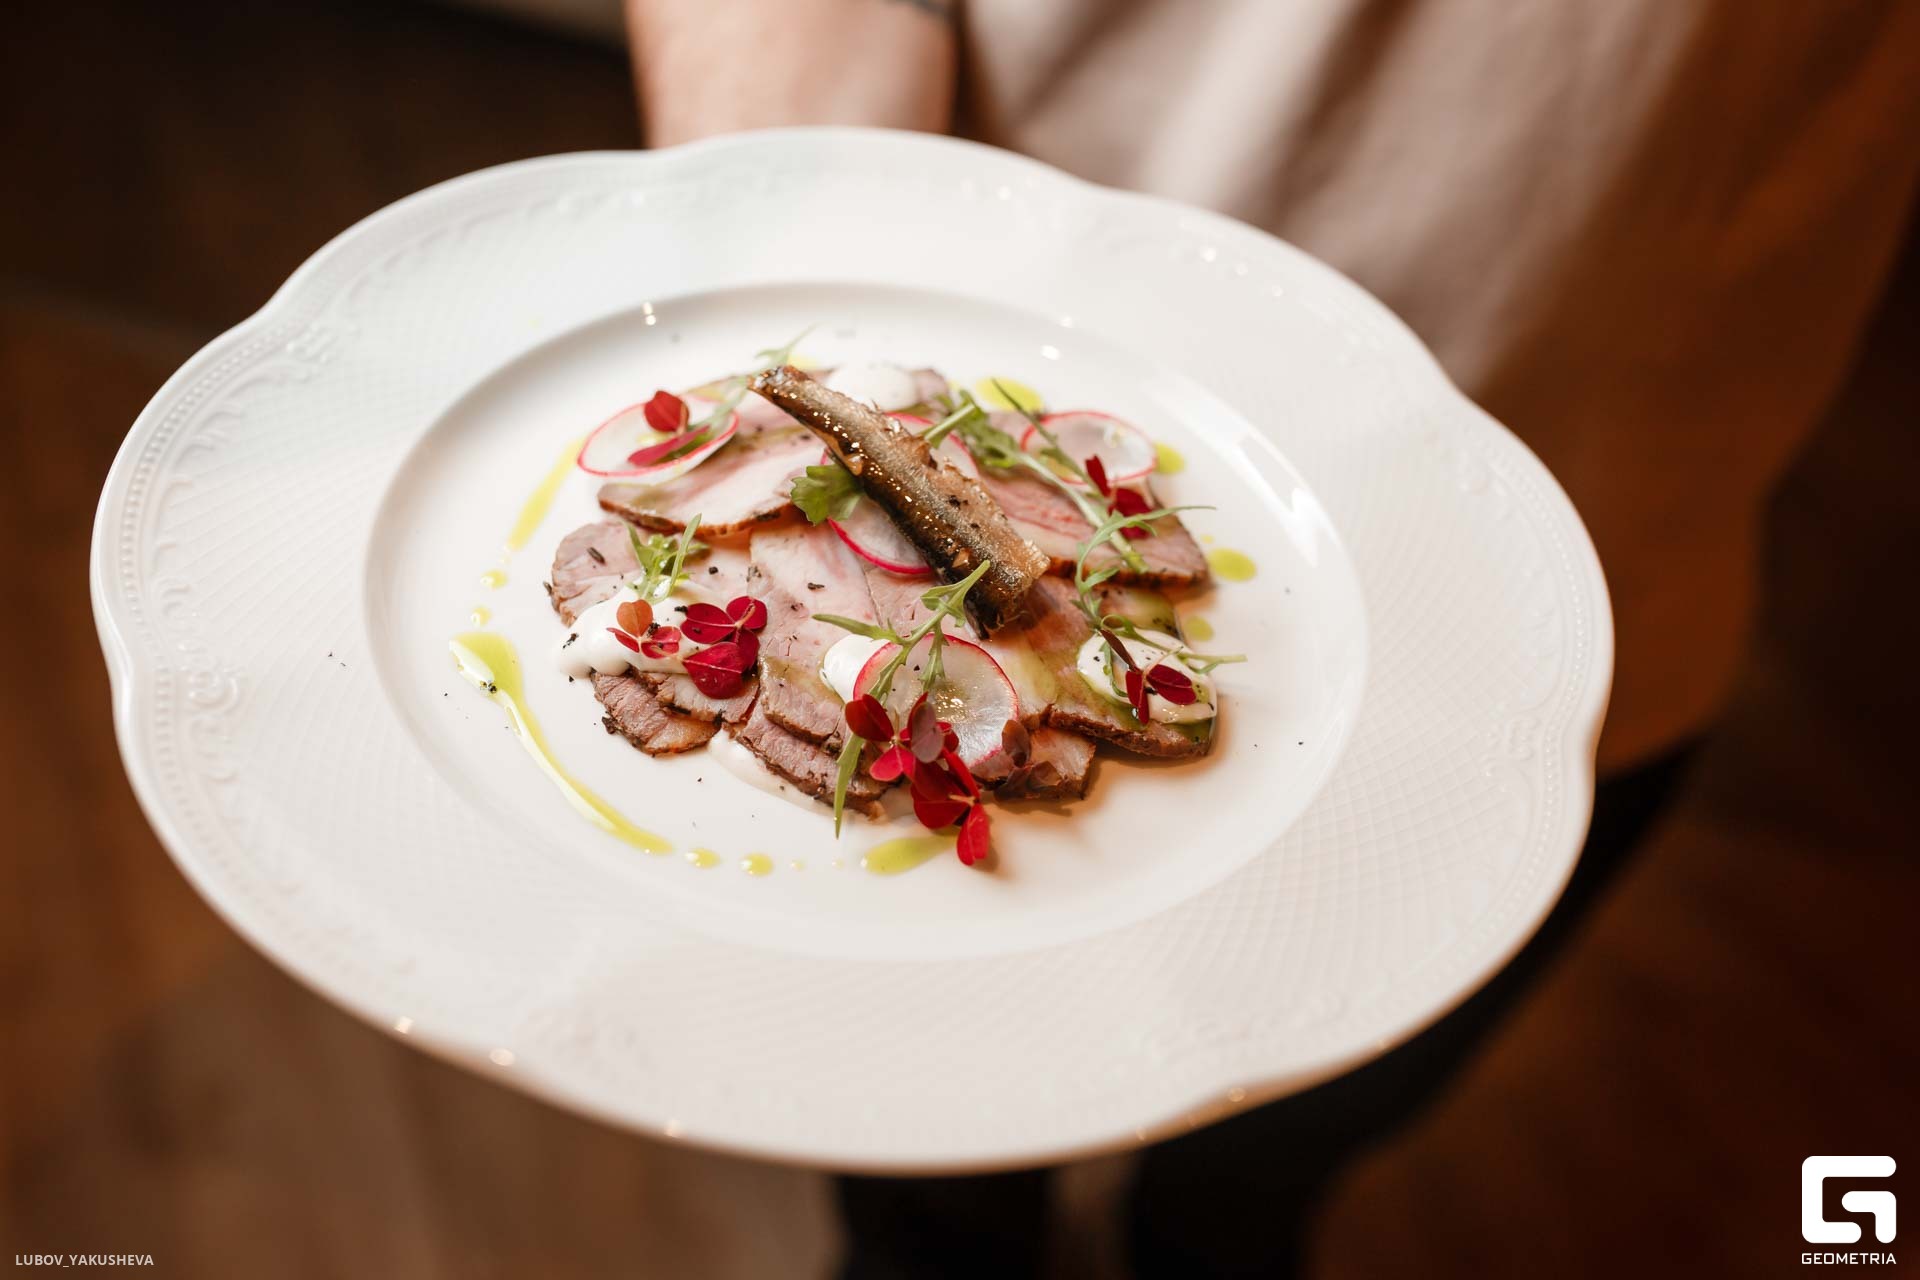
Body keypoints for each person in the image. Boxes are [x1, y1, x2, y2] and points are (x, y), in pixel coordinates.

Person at [622, 1, 1920, 1274]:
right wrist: (810, 309)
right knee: (937, 1161)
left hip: (1615, 550)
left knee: (1280, 1152)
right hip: (1028, 331)